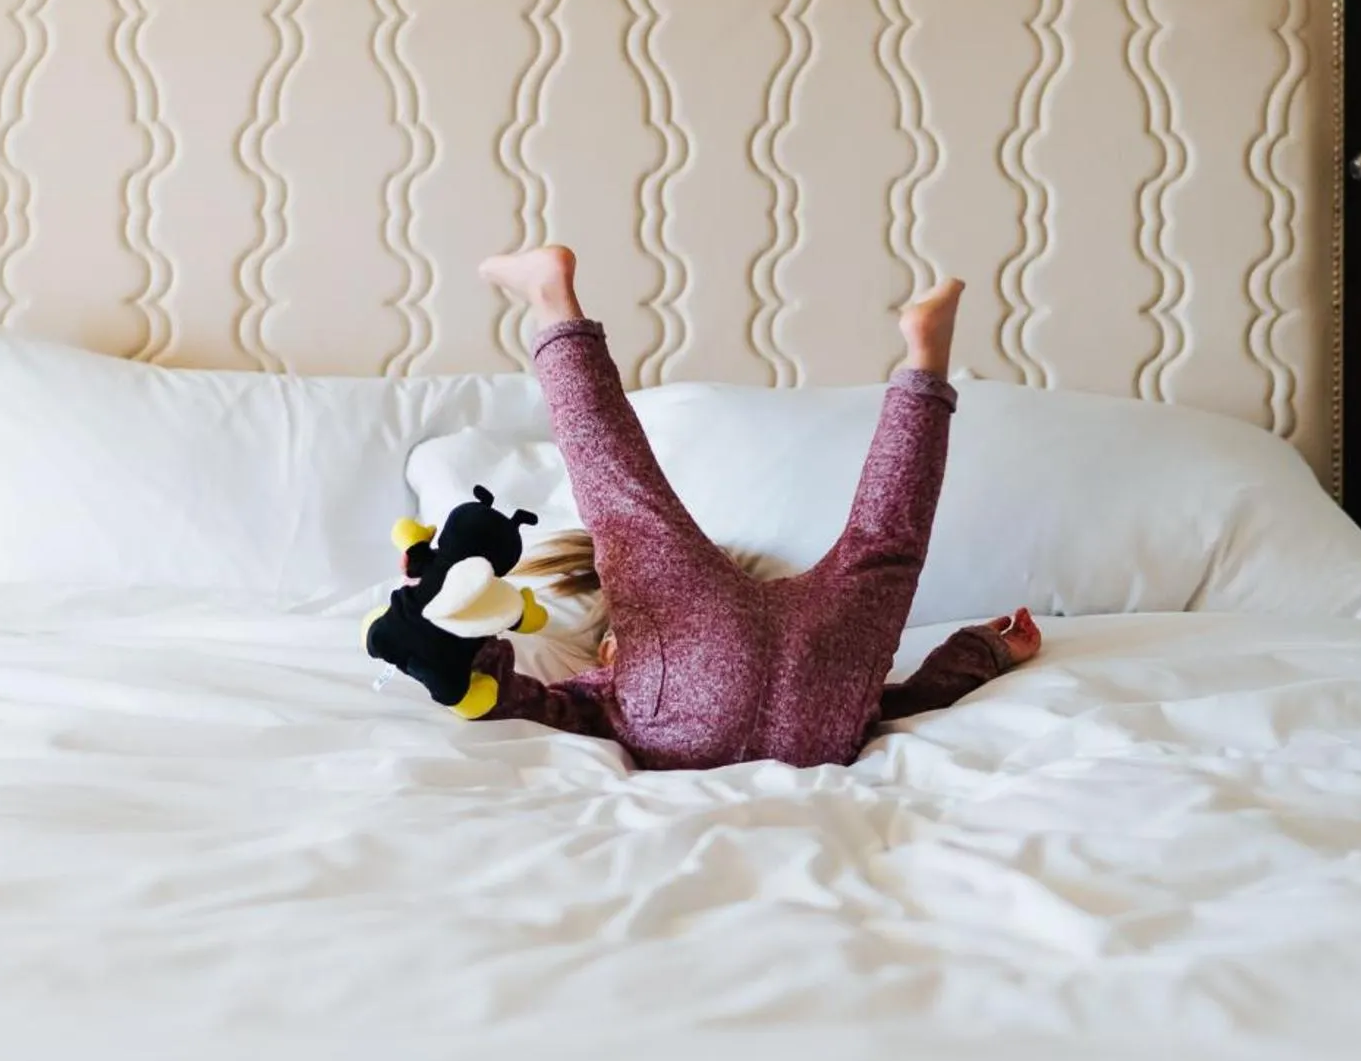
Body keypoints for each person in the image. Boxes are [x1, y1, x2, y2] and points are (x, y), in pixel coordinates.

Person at [378, 245, 1040, 770]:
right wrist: (981, 649)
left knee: (886, 539)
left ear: (613, 649)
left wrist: (464, 666)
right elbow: (909, 699)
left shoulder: (606, 691)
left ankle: (926, 358)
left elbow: (531, 703)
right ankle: (554, 300)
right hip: (823, 706)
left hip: (756, 711)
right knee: (624, 498)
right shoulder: (632, 653)